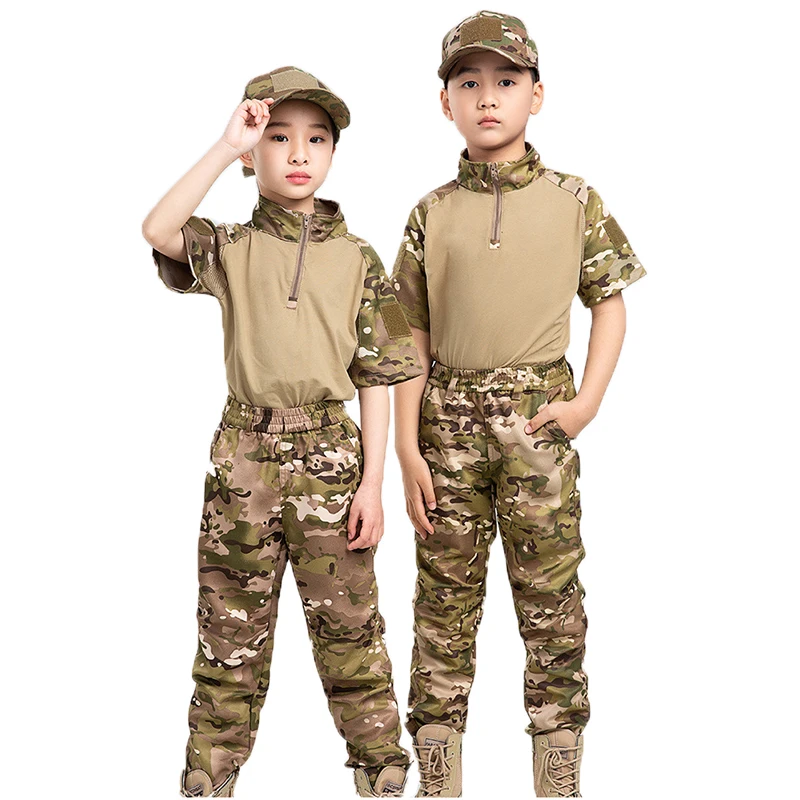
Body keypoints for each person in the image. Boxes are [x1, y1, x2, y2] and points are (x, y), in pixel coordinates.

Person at [142, 65, 422, 798]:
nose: (299, 152)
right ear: (253, 153)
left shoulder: (358, 258)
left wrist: (372, 485)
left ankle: (382, 770)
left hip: (332, 457)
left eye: (316, 139)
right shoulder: (231, 247)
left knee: (350, 632)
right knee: (228, 634)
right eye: (277, 137)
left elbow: (379, 374)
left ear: (333, 152)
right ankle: (209, 776)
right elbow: (158, 229)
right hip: (245, 457)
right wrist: (223, 145)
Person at [389, 11, 647, 797]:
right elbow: (408, 339)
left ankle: (558, 759)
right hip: (447, 423)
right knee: (444, 598)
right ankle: (438, 761)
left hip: (539, 418)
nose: (487, 98)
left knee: (550, 594)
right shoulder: (430, 213)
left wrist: (587, 403)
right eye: (468, 84)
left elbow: (609, 303)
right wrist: (406, 447)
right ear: (446, 103)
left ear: (537, 95)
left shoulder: (575, 199)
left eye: (506, 81)